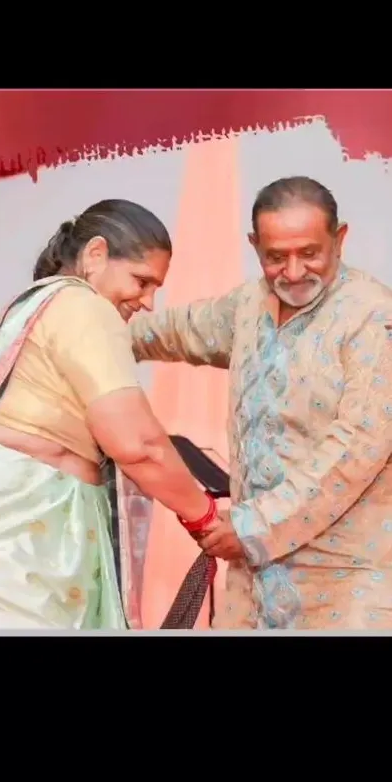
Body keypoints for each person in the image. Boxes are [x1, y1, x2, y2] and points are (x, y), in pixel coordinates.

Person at [130, 176, 392, 630]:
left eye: (309, 253)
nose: (292, 272)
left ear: (340, 239)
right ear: (255, 246)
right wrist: (86, 329)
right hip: (252, 586)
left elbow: (353, 451)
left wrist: (253, 527)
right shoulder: (250, 304)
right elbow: (177, 330)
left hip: (347, 582)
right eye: (275, 257)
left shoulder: (372, 317)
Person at [0, 198, 219, 630]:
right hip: (23, 543)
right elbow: (138, 445)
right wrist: (203, 516)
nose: (149, 301)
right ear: (96, 254)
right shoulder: (83, 304)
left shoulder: (27, 306)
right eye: (142, 281)